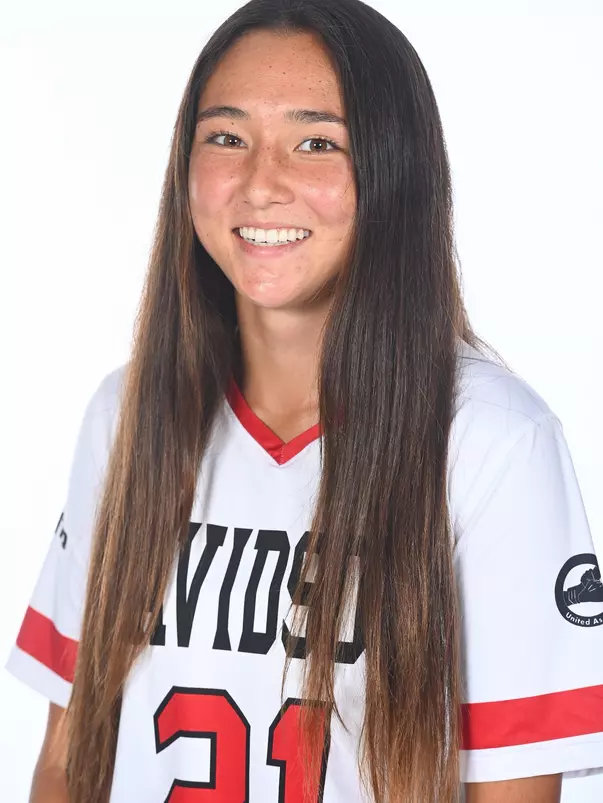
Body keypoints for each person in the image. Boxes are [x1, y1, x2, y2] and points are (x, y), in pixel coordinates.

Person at [6, 0, 603, 801]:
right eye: (226, 138)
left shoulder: (491, 439)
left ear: (393, 172)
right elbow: (65, 759)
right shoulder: (128, 414)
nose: (260, 183)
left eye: (315, 143)